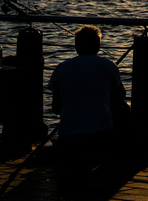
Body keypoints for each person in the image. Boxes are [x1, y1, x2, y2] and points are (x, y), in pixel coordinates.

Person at [47, 25, 129, 172]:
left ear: (76, 46)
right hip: (101, 135)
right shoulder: (109, 66)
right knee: (123, 109)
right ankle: (120, 157)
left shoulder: (61, 68)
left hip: (69, 137)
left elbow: (56, 108)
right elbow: (121, 95)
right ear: (98, 45)